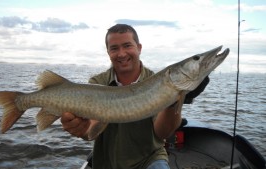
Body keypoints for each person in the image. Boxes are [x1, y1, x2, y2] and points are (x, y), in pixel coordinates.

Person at [60, 24, 209, 169]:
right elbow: (92, 129)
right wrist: (82, 129)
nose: (122, 53)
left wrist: (173, 103)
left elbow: (163, 132)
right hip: (107, 162)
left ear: (139, 48)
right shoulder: (98, 83)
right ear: (108, 52)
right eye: (114, 48)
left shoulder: (157, 81)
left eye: (127, 45)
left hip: (149, 160)